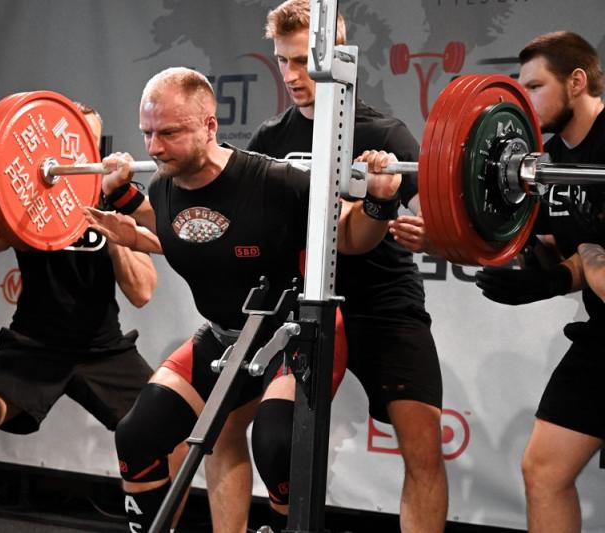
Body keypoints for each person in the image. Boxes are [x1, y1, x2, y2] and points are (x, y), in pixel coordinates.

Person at [84, 66, 402, 533]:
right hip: (225, 337)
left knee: (276, 444)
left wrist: (379, 202)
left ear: (210, 126)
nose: (154, 148)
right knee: (137, 436)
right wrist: (123, 197)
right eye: (147, 133)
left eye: (169, 133)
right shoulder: (164, 186)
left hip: (296, 336)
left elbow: (352, 238)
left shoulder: (275, 182)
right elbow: (181, 230)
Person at [242, 2, 447, 531]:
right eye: (282, 61)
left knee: (423, 450)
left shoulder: (385, 134)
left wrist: (433, 231)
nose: (292, 75)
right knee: (272, 439)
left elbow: (433, 215)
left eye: (303, 62)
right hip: (308, 306)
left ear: (337, 57)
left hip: (384, 304)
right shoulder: (270, 141)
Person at [0, 105, 159, 533]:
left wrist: (112, 227)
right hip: (32, 347)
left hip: (103, 351)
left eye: (88, 143)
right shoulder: (30, 198)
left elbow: (142, 292)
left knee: (170, 434)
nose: (78, 152)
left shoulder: (117, 200)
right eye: (70, 142)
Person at [474, 31, 604, 533]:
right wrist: (537, 271)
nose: (524, 100)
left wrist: (576, 261)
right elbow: (570, 252)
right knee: (544, 471)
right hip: (601, 336)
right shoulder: (546, 163)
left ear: (576, 82)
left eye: (535, 87)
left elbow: (593, 262)